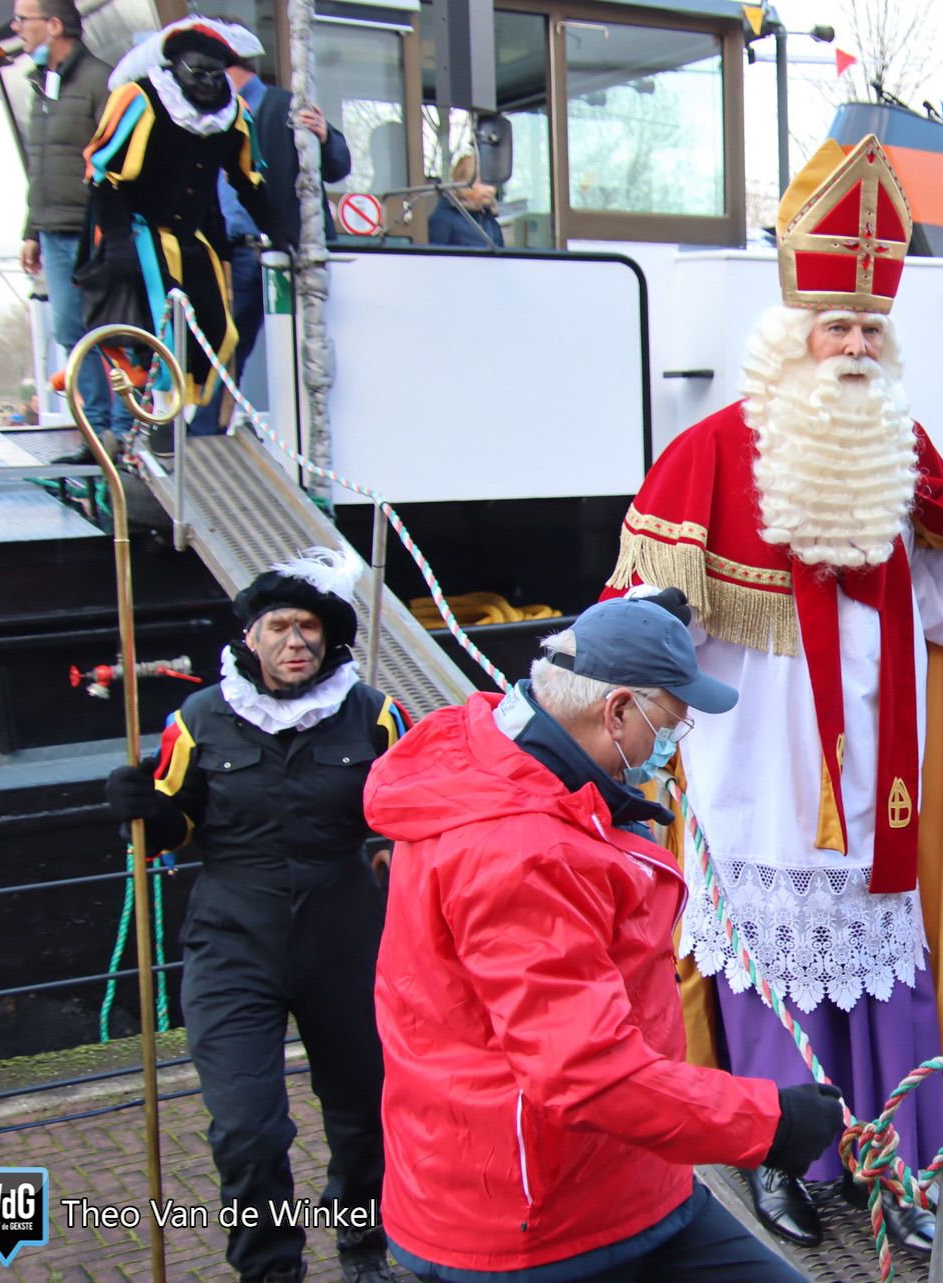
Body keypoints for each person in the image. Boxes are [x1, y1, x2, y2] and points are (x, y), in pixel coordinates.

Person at [602, 135, 943, 1251]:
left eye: (869, 330)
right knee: (770, 972)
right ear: (790, 338)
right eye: (833, 327)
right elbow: (646, 623)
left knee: (885, 966)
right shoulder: (706, 456)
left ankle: (893, 1156)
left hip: (882, 765)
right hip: (758, 775)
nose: (851, 345)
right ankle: (782, 1160)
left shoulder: (900, 446)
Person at [364, 594, 844, 1280]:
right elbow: (585, 1072)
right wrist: (769, 1124)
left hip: (619, 1179)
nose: (671, 750)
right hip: (534, 1224)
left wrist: (637, 623)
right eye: (670, 725)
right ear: (617, 710)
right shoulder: (519, 851)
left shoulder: (517, 765)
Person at [102, 546, 407, 1283]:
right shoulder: (197, 719)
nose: (294, 641)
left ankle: (362, 1244)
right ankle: (269, 1269)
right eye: (279, 627)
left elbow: (409, 811)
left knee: (367, 1113)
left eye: (308, 628)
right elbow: (174, 826)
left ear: (330, 638)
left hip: (345, 937)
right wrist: (140, 811)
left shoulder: (374, 716)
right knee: (248, 1127)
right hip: (233, 941)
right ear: (251, 636)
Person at [78, 19, 272, 446]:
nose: (206, 82)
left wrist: (285, 236)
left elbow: (249, 182)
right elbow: (103, 174)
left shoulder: (233, 113)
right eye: (196, 72)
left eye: (215, 73)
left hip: (194, 240)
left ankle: (174, 424)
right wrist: (116, 244)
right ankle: (143, 428)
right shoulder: (141, 99)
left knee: (216, 332)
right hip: (134, 233)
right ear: (175, 68)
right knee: (148, 331)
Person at [188, 42, 351, 437]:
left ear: (225, 67)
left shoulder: (285, 106)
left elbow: (338, 166)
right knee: (225, 342)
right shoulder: (207, 115)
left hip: (285, 250)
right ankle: (205, 433)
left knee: (300, 343)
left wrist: (326, 137)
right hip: (234, 251)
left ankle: (302, 434)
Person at [14, 0, 114, 430]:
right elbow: (41, 164)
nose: (18, 29)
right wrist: (32, 229)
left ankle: (124, 431)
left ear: (53, 26)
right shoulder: (41, 84)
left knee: (107, 331)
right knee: (70, 332)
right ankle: (93, 428)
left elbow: (115, 158)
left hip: (93, 232)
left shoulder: (101, 81)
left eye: (23, 20)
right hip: (52, 231)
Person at [427, 154, 504, 249]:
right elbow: (436, 258)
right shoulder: (444, 218)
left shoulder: (490, 221)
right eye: (482, 182)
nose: (491, 189)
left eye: (493, 183)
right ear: (462, 184)